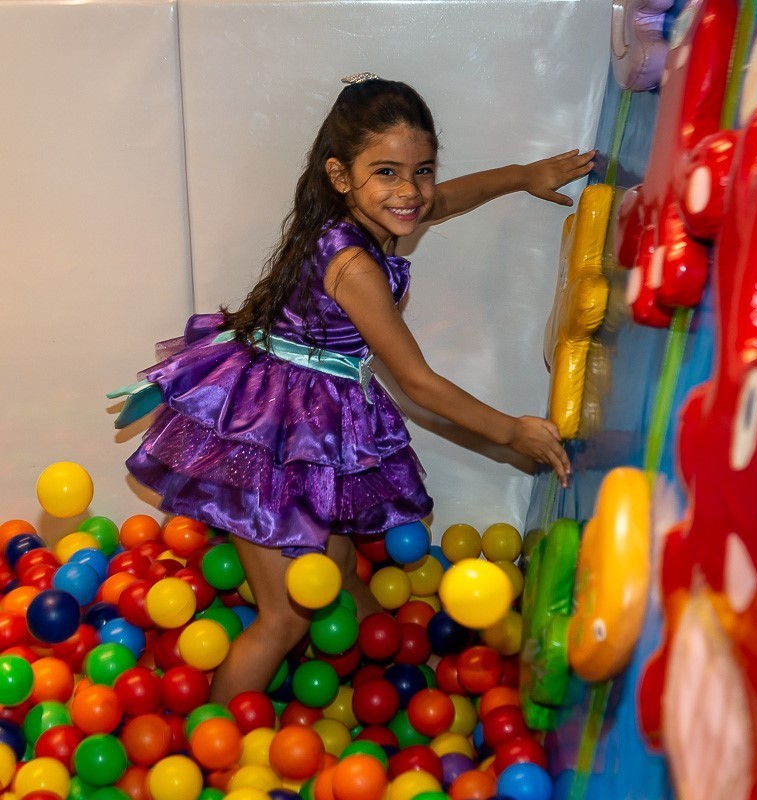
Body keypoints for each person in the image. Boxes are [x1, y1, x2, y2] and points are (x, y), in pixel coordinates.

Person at [114, 73, 594, 703]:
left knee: (336, 569)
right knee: (285, 618)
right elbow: (417, 381)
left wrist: (524, 175)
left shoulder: (370, 217)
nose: (411, 192)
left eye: (421, 170)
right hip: (270, 432)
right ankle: (214, 741)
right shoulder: (352, 264)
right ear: (341, 176)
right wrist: (511, 431)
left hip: (309, 417)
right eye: (388, 173)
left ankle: (398, 685)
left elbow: (444, 201)